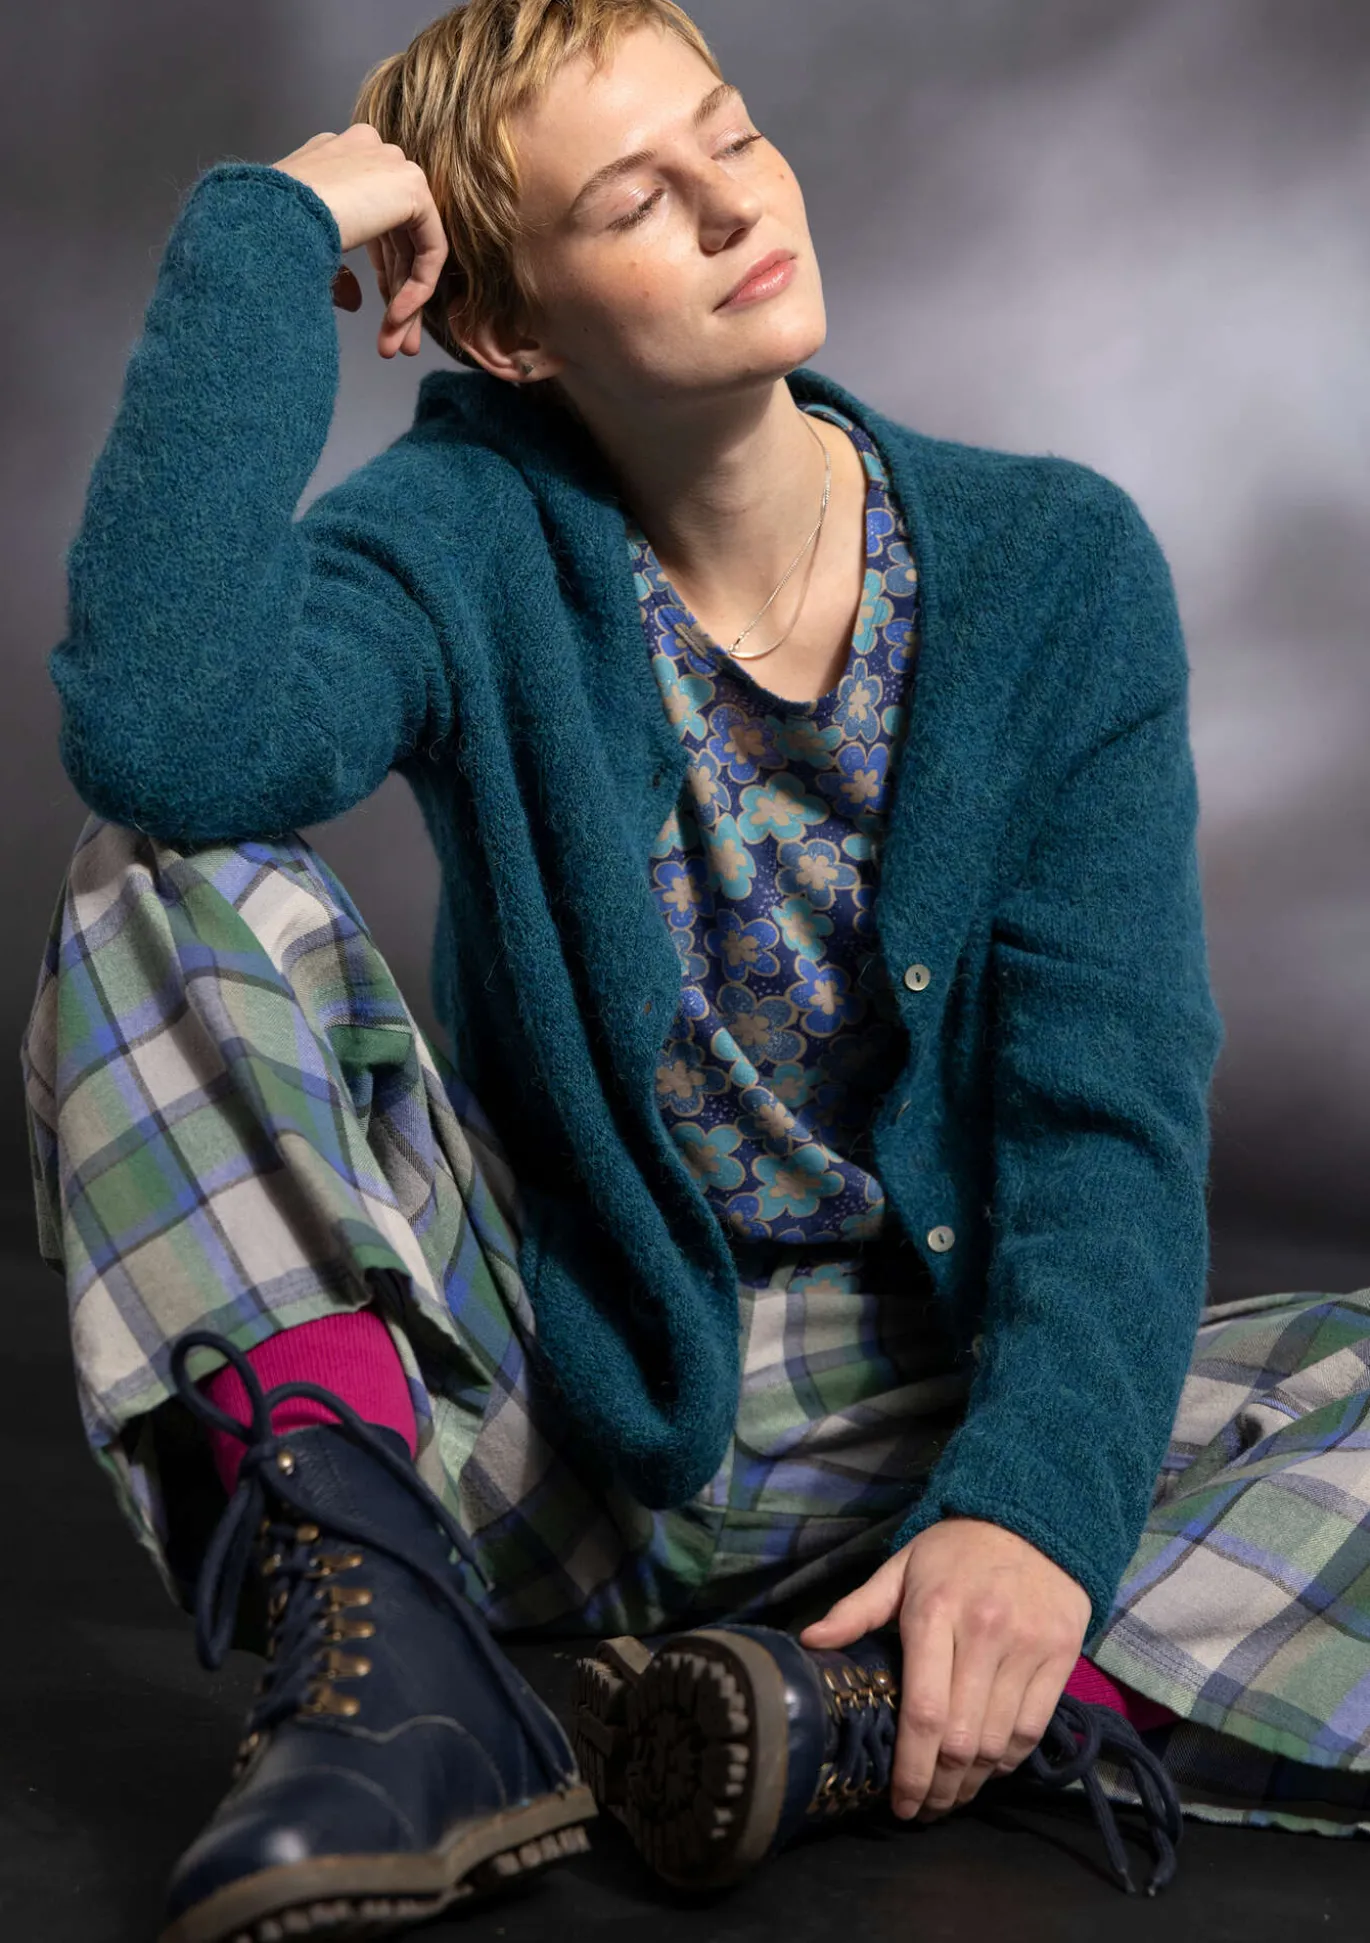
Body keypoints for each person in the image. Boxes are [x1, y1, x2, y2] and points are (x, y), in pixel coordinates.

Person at [22, 2, 1370, 1939]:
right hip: (554, 1412)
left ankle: (847, 1710)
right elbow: (162, 729)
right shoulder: (461, 538)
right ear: (514, 333)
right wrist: (270, 233)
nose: (737, 204)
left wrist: (1024, 1512)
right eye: (635, 200)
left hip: (911, 1426)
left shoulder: (1057, 569)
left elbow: (1104, 1124)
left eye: (729, 135)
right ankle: (397, 1671)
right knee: (155, 877)